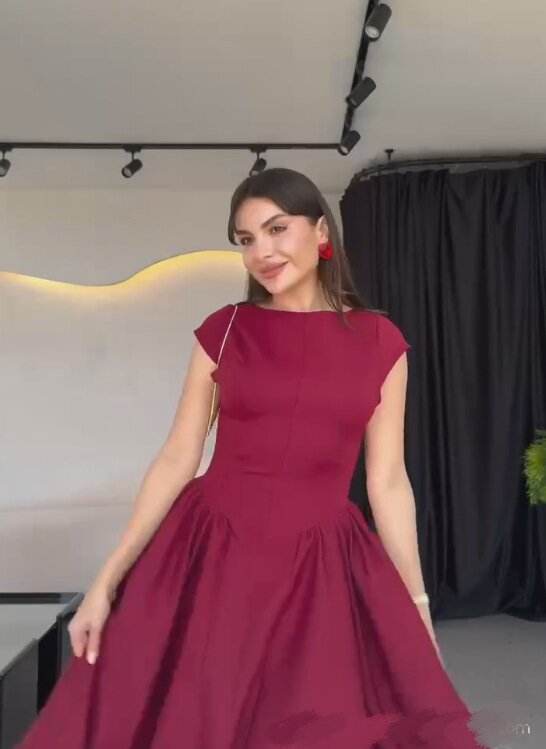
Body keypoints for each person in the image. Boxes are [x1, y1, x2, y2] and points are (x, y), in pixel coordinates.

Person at [17, 167, 490, 748]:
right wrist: (106, 580)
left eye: (276, 228)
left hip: (319, 567)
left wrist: (415, 606)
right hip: (212, 552)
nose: (261, 251)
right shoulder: (225, 330)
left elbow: (388, 481)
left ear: (321, 232)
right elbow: (178, 457)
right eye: (246, 239)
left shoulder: (381, 343)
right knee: (193, 713)